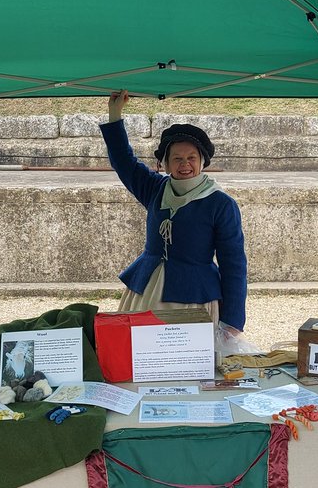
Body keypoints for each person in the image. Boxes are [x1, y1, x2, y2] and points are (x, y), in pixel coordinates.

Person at [100, 90, 248, 331]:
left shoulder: (220, 204)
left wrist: (232, 322)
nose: (185, 164)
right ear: (165, 163)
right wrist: (115, 115)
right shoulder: (155, 189)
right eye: (177, 158)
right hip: (147, 293)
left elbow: (234, 265)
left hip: (194, 297)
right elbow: (123, 161)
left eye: (191, 157)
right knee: (139, 357)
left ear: (202, 161)